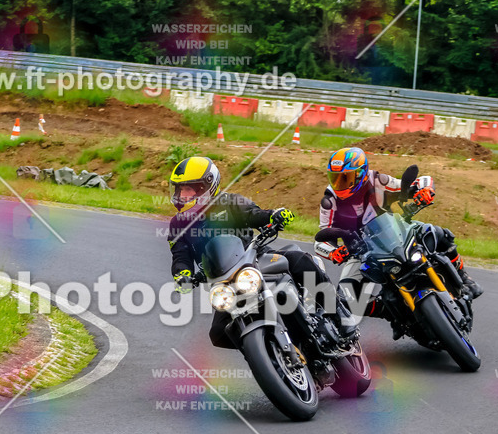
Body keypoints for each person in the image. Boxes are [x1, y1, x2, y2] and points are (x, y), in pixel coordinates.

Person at [165, 156, 356, 348]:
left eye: (188, 189)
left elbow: (253, 214)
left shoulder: (229, 202)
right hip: (225, 280)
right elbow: (180, 255)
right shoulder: (178, 224)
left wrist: (273, 215)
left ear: (205, 187)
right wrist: (182, 274)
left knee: (299, 260)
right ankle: (270, 352)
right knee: (219, 333)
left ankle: (338, 312)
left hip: (255, 257)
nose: (182, 195)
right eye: (179, 189)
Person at [313, 147, 482, 323]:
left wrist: (425, 191)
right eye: (335, 178)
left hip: (395, 231)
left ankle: (465, 278)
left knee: (439, 234)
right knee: (347, 298)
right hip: (361, 251)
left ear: (360, 174)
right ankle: (392, 315)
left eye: (345, 178)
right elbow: (322, 237)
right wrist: (333, 252)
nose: (339, 183)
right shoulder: (329, 201)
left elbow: (416, 183)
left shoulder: (377, 179)